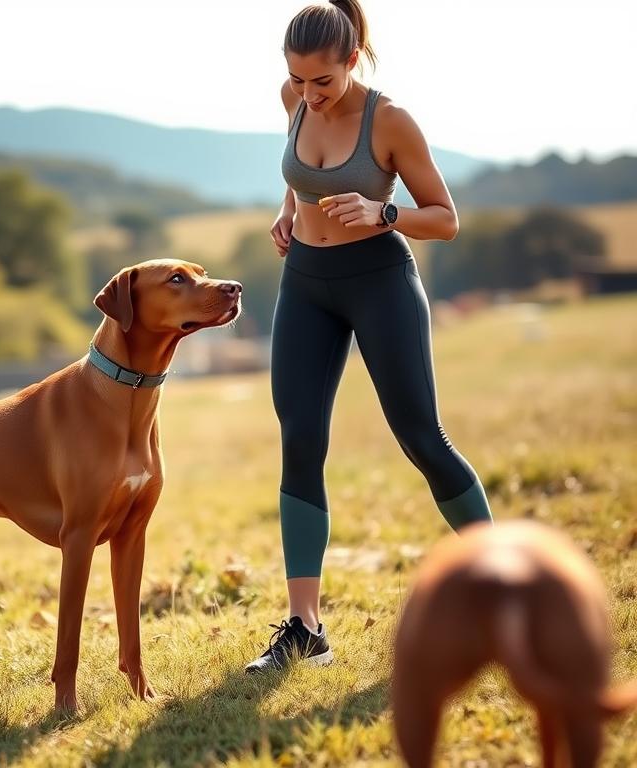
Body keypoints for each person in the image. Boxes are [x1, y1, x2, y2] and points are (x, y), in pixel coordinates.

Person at [244, 0, 493, 673]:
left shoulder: (391, 121)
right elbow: (303, 176)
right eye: (297, 80)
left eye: (322, 82)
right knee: (299, 436)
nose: (309, 95)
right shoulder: (294, 98)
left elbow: (444, 218)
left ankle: (503, 588)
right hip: (306, 283)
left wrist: (385, 211)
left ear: (351, 61)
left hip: (378, 280)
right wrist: (287, 212)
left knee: (421, 437)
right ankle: (305, 628)